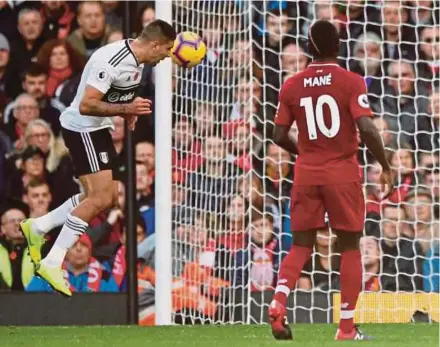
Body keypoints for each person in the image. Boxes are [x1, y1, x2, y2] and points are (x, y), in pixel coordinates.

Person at [19, 19, 176, 297]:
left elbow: (112, 97)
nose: (166, 57)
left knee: (107, 198)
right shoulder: (112, 60)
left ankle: (39, 225)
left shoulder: (137, 60)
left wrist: (125, 112)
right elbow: (86, 103)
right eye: (165, 50)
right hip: (83, 128)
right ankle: (53, 260)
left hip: (98, 129)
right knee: (100, 199)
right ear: (153, 44)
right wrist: (126, 106)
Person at [268, 20, 394, 341]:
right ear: (339, 46)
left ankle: (279, 301)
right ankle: (346, 328)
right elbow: (366, 128)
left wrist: (304, 152)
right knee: (350, 246)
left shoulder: (292, 85)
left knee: (300, 245)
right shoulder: (352, 81)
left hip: (307, 174)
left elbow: (278, 134)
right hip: (342, 173)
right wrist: (386, 165)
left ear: (309, 48)